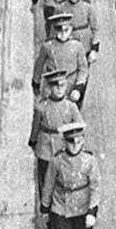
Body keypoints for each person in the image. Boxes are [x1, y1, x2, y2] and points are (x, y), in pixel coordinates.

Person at [40, 120, 101, 229]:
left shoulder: (89, 161)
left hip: (82, 209)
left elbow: (96, 186)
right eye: (71, 141)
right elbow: (49, 184)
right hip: (62, 209)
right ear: (65, 142)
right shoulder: (57, 161)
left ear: (83, 141)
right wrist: (45, 207)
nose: (75, 145)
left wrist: (92, 211)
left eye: (78, 141)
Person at [28, 68, 79, 197]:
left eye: (62, 85)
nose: (59, 89)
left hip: (64, 146)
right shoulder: (41, 107)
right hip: (45, 146)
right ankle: (45, 206)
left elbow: (79, 127)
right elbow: (36, 126)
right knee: (44, 178)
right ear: (50, 88)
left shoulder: (71, 107)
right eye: (55, 86)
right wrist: (33, 140)